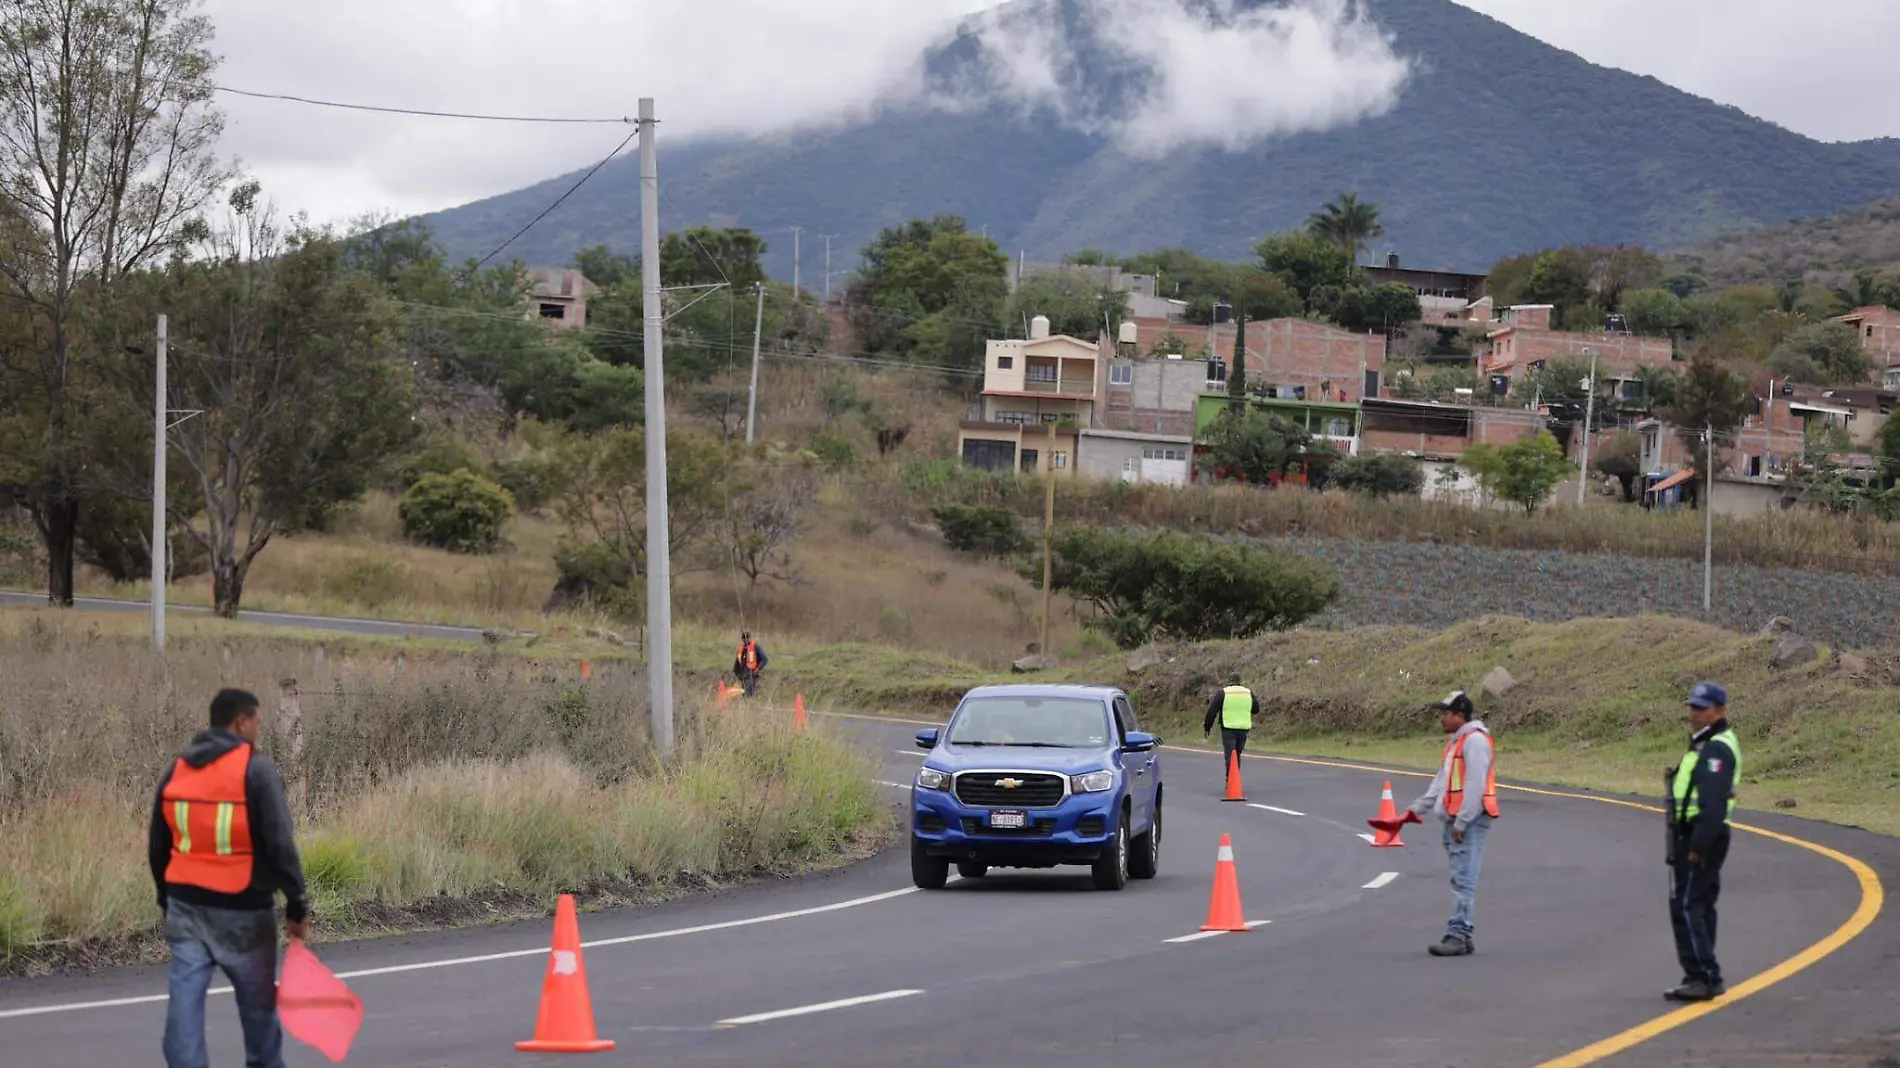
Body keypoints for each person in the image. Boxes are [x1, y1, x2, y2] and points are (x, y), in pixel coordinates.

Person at [150, 688, 308, 1068]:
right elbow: (280, 842)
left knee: (183, 1012)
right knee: (258, 1018)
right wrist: (297, 904)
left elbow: (159, 842)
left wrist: (166, 899)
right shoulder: (255, 768)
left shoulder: (178, 767)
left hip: (186, 908)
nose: (259, 728)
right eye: (257, 721)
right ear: (241, 722)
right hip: (245, 913)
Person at [1404, 690, 1499, 957]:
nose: (1441, 719)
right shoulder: (1457, 743)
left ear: (1460, 715)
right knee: (1460, 877)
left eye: (1445, 714)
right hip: (1456, 820)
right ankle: (1463, 934)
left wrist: (1462, 821)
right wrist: (1414, 810)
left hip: (1467, 822)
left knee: (1463, 880)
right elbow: (1441, 783)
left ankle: (1458, 934)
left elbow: (1475, 785)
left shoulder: (1475, 742)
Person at [1665, 681, 1740, 1002]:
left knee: (1691, 905)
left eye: (1702, 708)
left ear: (1719, 711)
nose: (1695, 713)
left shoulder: (1716, 748)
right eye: (1693, 706)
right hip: (1693, 834)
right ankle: (1700, 975)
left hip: (1702, 836)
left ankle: (1704, 975)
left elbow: (1712, 804)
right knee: (1693, 904)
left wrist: (1697, 848)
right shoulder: (1703, 744)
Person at [1203, 673, 1257, 768]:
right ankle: (1235, 778)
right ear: (1240, 682)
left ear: (1229, 682)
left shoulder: (1223, 693)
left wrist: (1207, 727)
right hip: (1243, 729)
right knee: (1237, 755)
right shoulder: (1248, 692)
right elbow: (1256, 709)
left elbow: (1212, 712)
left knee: (1230, 756)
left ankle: (1230, 779)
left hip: (1228, 728)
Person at [734, 630, 768, 697]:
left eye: (747, 637)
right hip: (743, 675)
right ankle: (746, 706)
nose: (745, 639)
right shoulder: (741, 648)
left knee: (749, 695)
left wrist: (758, 669)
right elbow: (737, 662)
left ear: (750, 638)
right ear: (742, 639)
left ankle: (750, 706)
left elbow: (764, 659)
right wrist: (736, 673)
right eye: (744, 637)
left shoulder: (755, 646)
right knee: (743, 695)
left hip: (751, 674)